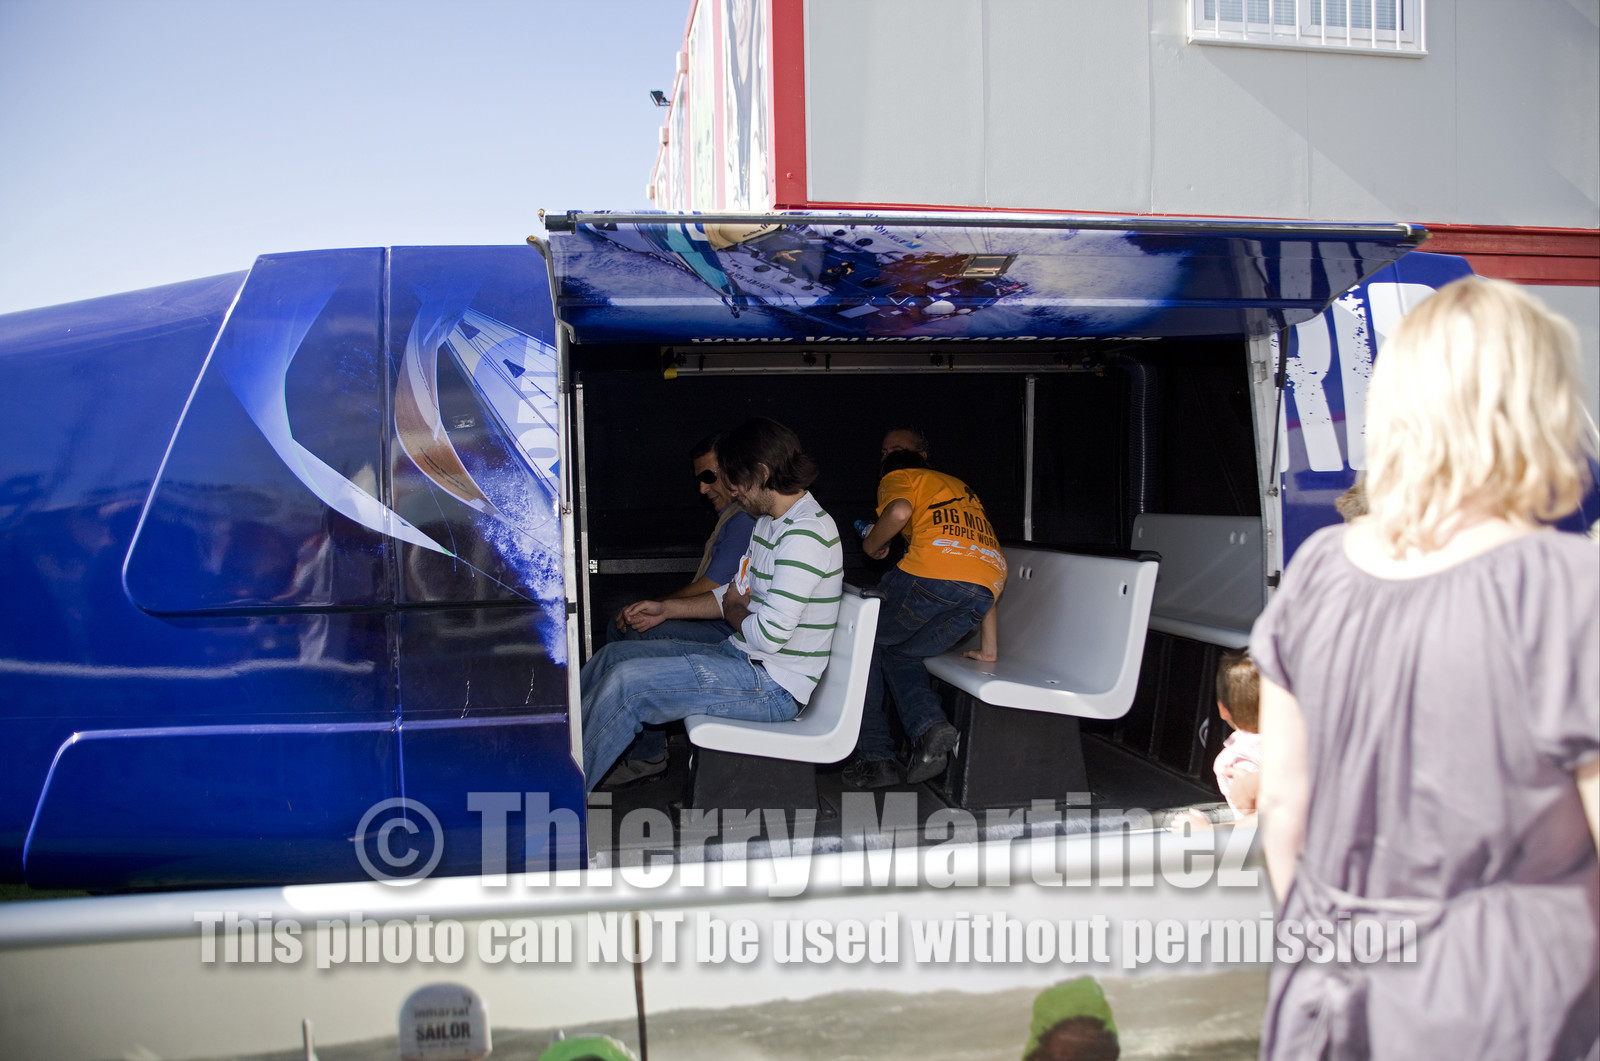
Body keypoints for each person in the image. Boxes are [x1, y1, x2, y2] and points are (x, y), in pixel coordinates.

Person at [1251, 277, 1600, 1059]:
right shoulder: (1568, 589)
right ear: (1537, 405)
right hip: (1500, 1004)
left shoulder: (1318, 571)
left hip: (1326, 987)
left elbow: (1283, 802)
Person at [581, 418, 843, 794]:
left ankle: (558, 799)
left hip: (774, 686)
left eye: (735, 479)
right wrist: (668, 609)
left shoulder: (805, 535)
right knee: (615, 658)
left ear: (762, 472)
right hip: (743, 658)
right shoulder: (770, 521)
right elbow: (732, 595)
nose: (733, 491)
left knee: (629, 685)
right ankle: (557, 755)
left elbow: (766, 634)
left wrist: (737, 609)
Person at [843, 427, 1007, 789]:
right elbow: (978, 561)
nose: (887, 455)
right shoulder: (958, 487)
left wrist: (872, 545)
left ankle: (875, 758)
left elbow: (899, 511)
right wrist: (990, 646)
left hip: (931, 576)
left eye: (896, 449)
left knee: (862, 642)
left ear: (919, 455)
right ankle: (929, 730)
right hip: (985, 587)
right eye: (883, 450)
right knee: (900, 654)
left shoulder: (900, 477)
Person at [599, 433, 756, 785]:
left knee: (635, 631)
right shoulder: (732, 519)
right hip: (721, 625)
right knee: (623, 628)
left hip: (726, 636)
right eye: (699, 479)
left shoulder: (745, 520)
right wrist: (662, 608)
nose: (702, 489)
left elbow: (714, 588)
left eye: (709, 477)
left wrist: (663, 610)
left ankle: (647, 754)